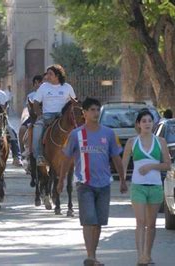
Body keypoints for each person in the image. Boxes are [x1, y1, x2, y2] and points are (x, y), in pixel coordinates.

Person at [58, 98, 127, 266]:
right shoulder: (75, 135)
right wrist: (60, 180)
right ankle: (90, 256)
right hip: (84, 184)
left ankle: (94, 255)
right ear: (85, 113)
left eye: (97, 110)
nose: (95, 113)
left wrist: (123, 180)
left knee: (98, 222)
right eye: (92, 110)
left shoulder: (109, 134)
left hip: (104, 184)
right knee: (89, 220)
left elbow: (116, 158)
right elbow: (66, 159)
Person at [122, 109, 171, 265]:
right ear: (138, 124)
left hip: (155, 187)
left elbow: (167, 165)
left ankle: (148, 254)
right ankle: (140, 256)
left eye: (149, 121)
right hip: (138, 187)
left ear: (153, 123)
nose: (147, 124)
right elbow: (123, 163)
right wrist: (123, 180)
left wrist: (151, 166)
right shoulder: (132, 142)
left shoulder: (160, 142)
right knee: (141, 221)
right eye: (144, 121)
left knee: (151, 224)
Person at [32, 64, 76, 166]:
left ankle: (79, 155)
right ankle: (39, 156)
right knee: (37, 128)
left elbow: (74, 102)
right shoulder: (43, 87)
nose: (47, 76)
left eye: (50, 74)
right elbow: (36, 103)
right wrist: (39, 114)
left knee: (78, 130)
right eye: (47, 74)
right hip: (47, 116)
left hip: (63, 116)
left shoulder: (67, 87)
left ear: (58, 75)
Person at [19, 75, 44, 172]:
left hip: (43, 116)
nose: (38, 85)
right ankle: (23, 153)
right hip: (33, 117)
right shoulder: (31, 95)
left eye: (40, 82)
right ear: (33, 85)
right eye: (36, 83)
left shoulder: (46, 93)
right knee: (22, 129)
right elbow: (29, 109)